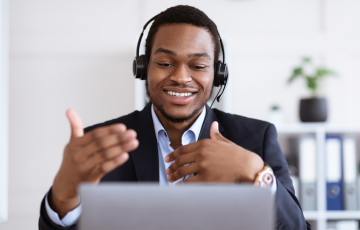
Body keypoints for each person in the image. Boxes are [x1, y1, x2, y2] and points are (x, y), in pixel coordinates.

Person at [39, 5, 311, 230]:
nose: (181, 77)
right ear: (143, 68)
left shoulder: (256, 140)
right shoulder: (101, 145)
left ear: (217, 75)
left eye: (198, 66)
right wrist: (63, 196)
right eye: (165, 63)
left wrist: (256, 173)